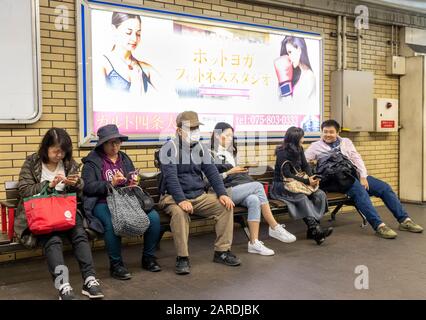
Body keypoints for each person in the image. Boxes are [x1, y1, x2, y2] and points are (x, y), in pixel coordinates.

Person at [15, 128, 104, 300]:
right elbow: (24, 191)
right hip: (41, 214)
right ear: (45, 148)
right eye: (55, 150)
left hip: (64, 211)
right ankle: (63, 286)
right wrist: (47, 186)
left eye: (63, 151)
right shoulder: (32, 162)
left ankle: (90, 280)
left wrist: (77, 183)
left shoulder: (69, 163)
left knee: (80, 234)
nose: (59, 155)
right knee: (52, 240)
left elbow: (79, 192)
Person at [305, 119, 423, 239]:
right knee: (360, 192)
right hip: (337, 181)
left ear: (338, 132)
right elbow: (304, 162)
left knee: (384, 188)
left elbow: (357, 159)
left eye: (331, 132)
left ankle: (404, 220)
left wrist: (363, 176)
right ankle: (379, 226)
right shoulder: (315, 146)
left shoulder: (346, 142)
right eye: (325, 132)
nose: (328, 135)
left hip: (353, 175)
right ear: (321, 132)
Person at [158, 111, 241, 275]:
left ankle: (222, 252)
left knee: (225, 206)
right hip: (173, 197)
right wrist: (181, 200)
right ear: (179, 130)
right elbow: (171, 179)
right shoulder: (169, 148)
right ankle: (182, 258)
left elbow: (212, 173)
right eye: (191, 128)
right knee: (180, 213)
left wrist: (222, 194)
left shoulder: (201, 148)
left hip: (198, 196)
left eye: (196, 127)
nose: (194, 131)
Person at [81, 124, 161, 280]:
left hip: (126, 199)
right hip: (102, 201)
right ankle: (116, 265)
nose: (115, 146)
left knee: (154, 218)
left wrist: (133, 181)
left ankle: (148, 258)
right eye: (111, 143)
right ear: (102, 144)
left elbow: (131, 176)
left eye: (117, 142)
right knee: (112, 223)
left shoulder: (124, 158)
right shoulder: (93, 161)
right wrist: (110, 183)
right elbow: (88, 187)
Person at [209, 122, 296, 256]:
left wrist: (239, 170)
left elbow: (233, 175)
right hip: (221, 193)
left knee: (254, 200)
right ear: (216, 135)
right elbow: (207, 180)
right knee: (258, 186)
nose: (230, 139)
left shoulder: (230, 152)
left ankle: (254, 242)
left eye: (231, 136)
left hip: (236, 189)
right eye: (227, 135)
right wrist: (228, 172)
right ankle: (274, 226)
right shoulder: (208, 154)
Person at [270, 126, 332, 245]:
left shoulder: (299, 148)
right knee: (302, 197)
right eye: (302, 137)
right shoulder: (282, 152)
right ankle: (315, 230)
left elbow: (305, 166)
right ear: (295, 139)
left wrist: (311, 178)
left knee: (319, 194)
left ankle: (312, 230)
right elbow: (287, 174)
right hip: (283, 185)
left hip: (298, 184)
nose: (303, 139)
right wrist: (307, 182)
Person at [101, 12, 156, 94]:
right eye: (128, 33)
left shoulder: (145, 68)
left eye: (138, 34)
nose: (134, 39)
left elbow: (169, 92)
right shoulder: (103, 63)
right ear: (114, 29)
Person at [274, 36, 316, 103]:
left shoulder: (309, 76)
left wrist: (284, 82)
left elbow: (291, 107)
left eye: (290, 52)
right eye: (287, 54)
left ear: (299, 50)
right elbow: (279, 103)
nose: (289, 58)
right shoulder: (293, 73)